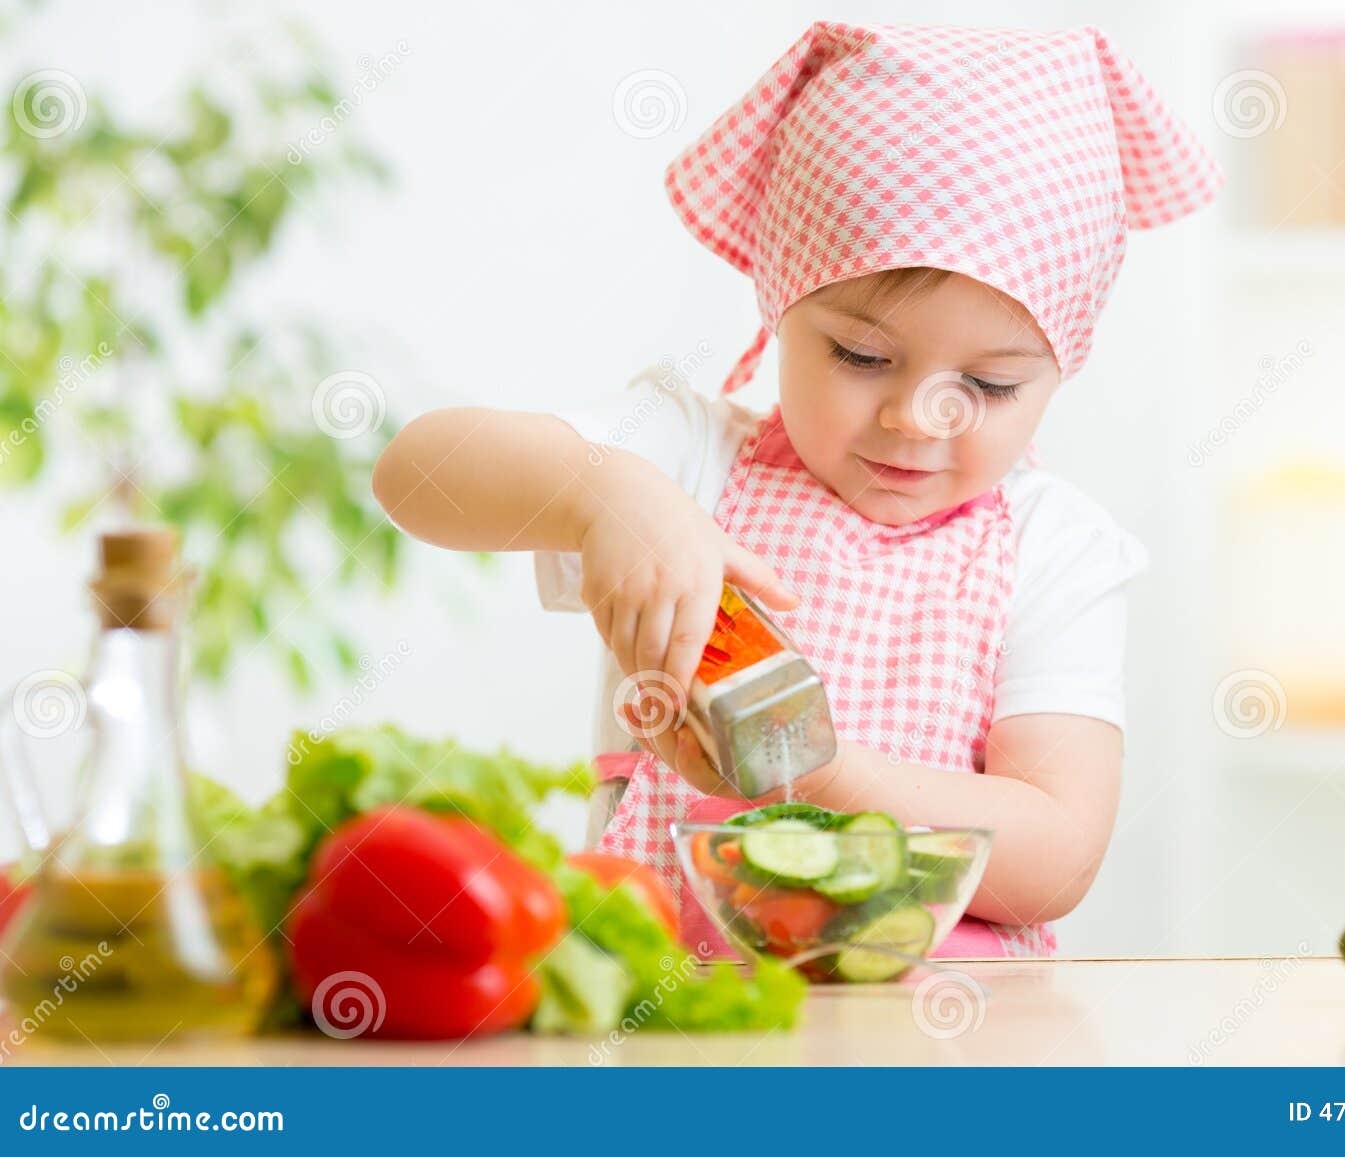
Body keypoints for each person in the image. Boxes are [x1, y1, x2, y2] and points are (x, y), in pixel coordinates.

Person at [373, 20, 1221, 957]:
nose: (917, 415)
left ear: (1060, 370)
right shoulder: (685, 461)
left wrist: (815, 769)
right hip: (674, 1031)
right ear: (781, 304)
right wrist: (602, 495)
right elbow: (417, 471)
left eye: (988, 385)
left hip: (948, 1048)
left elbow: (1056, 859)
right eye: (861, 355)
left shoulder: (1055, 550)